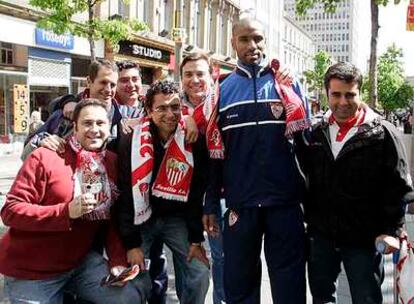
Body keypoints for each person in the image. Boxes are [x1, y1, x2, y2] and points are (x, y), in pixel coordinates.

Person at [203, 17, 309, 303]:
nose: (253, 45)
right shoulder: (219, 93)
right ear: (233, 43)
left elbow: (306, 149)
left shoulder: (289, 85)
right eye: (245, 39)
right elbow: (215, 157)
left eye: (258, 38)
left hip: (284, 205)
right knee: (239, 287)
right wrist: (211, 203)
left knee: (290, 286)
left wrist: (311, 203)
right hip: (241, 205)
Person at [0, 99, 142, 303]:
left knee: (129, 297)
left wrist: (117, 261)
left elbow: (111, 218)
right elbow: (10, 211)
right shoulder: (44, 157)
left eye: (101, 124)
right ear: (74, 127)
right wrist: (65, 212)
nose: (94, 130)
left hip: (78, 265)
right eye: (87, 123)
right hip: (32, 272)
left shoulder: (110, 161)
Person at [295, 62, 414, 303]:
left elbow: (399, 186)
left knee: (366, 298)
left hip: (365, 239)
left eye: (350, 94)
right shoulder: (315, 132)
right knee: (322, 297)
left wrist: (390, 231)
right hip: (321, 236)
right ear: (326, 92)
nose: (343, 102)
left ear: (360, 93)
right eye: (336, 94)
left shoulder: (383, 133)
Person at [116, 80, 210, 304]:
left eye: (175, 107)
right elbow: (125, 196)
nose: (170, 114)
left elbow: (196, 194)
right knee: (134, 275)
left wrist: (196, 239)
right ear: (148, 110)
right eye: (161, 108)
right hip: (141, 221)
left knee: (199, 272)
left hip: (177, 220)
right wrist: (131, 244)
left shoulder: (192, 140)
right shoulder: (131, 140)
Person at [116, 59, 169, 304]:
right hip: (120, 205)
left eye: (135, 79)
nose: (130, 85)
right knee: (123, 262)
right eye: (124, 80)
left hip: (156, 205)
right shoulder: (103, 109)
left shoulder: (155, 107)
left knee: (156, 263)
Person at [179, 51, 226, 304]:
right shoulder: (172, 107)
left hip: (219, 195)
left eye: (200, 74)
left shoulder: (222, 102)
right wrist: (185, 117)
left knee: (222, 259)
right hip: (183, 201)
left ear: (211, 76)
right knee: (188, 261)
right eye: (188, 74)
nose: (194, 80)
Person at [22, 60, 122, 158]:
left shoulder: (121, 120)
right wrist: (42, 141)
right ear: (89, 82)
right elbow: (26, 153)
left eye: (113, 85)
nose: (108, 89)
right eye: (103, 82)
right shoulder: (64, 115)